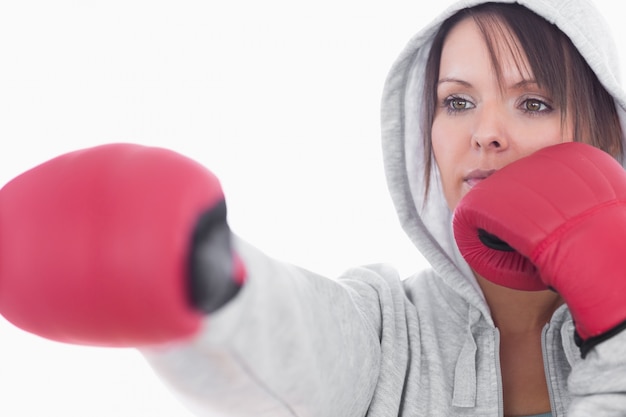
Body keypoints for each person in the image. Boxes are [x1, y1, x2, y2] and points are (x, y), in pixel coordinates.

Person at [1, 0, 625, 416]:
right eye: (456, 103)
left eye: (533, 103)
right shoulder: (389, 325)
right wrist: (196, 271)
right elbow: (302, 336)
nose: (485, 133)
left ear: (607, 128)